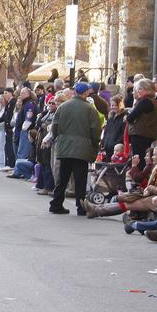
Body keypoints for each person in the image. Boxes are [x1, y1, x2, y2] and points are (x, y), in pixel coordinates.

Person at [49, 82, 102, 216]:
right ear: (85, 93)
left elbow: (55, 126)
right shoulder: (90, 109)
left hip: (64, 146)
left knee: (63, 177)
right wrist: (95, 143)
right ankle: (81, 207)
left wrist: (58, 138)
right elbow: (95, 129)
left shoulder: (63, 107)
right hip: (82, 148)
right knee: (80, 179)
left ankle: (56, 204)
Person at [126, 78, 157, 162]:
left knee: (139, 159)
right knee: (143, 159)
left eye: (140, 89)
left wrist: (127, 117)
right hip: (147, 134)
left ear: (148, 90)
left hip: (140, 134)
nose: (138, 91)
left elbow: (130, 117)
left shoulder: (145, 102)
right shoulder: (153, 101)